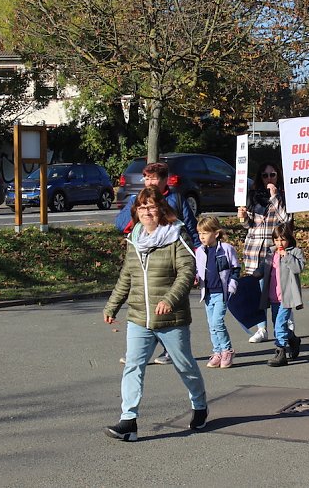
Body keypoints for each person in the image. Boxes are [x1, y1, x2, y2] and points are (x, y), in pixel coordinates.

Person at [103, 188, 207, 441]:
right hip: (140, 316)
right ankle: (128, 421)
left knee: (185, 366)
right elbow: (127, 276)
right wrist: (112, 305)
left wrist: (170, 300)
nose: (147, 212)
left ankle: (200, 405)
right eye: (142, 208)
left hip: (170, 318)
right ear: (136, 212)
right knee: (133, 366)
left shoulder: (175, 234)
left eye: (151, 207)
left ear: (161, 209)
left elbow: (186, 271)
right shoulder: (135, 237)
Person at [114, 162, 200, 365]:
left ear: (164, 180)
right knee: (141, 305)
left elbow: (191, 231)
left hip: (169, 262)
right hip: (143, 260)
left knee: (166, 307)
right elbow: (120, 224)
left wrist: (197, 262)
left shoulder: (175, 198)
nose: (149, 182)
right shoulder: (138, 200)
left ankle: (171, 350)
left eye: (154, 178)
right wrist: (138, 209)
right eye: (147, 178)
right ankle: (137, 352)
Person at [238, 162, 290, 343]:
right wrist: (244, 218)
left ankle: (283, 324)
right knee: (258, 293)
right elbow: (249, 225)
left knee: (276, 291)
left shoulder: (284, 196)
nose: (269, 179)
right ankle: (262, 328)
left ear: (278, 176)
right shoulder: (253, 197)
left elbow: (287, 221)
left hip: (274, 251)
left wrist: (275, 197)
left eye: (272, 175)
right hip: (254, 251)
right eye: (265, 175)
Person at [196, 216, 240, 369]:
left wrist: (231, 286)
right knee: (211, 324)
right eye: (200, 233)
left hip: (221, 292)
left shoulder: (226, 249)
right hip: (207, 294)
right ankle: (217, 352)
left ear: (216, 233)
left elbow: (235, 269)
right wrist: (196, 279)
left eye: (205, 233)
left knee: (217, 322)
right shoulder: (199, 252)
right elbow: (198, 271)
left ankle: (227, 350)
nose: (202, 236)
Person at [259, 225, 305, 367]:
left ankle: (280, 352)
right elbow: (263, 268)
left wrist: (287, 256)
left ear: (289, 240)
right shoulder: (270, 253)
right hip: (273, 296)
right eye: (276, 240)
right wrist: (257, 273)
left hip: (287, 297)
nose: (279, 243)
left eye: (283, 240)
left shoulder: (295, 252)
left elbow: (298, 268)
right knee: (278, 323)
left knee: (279, 324)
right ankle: (293, 340)